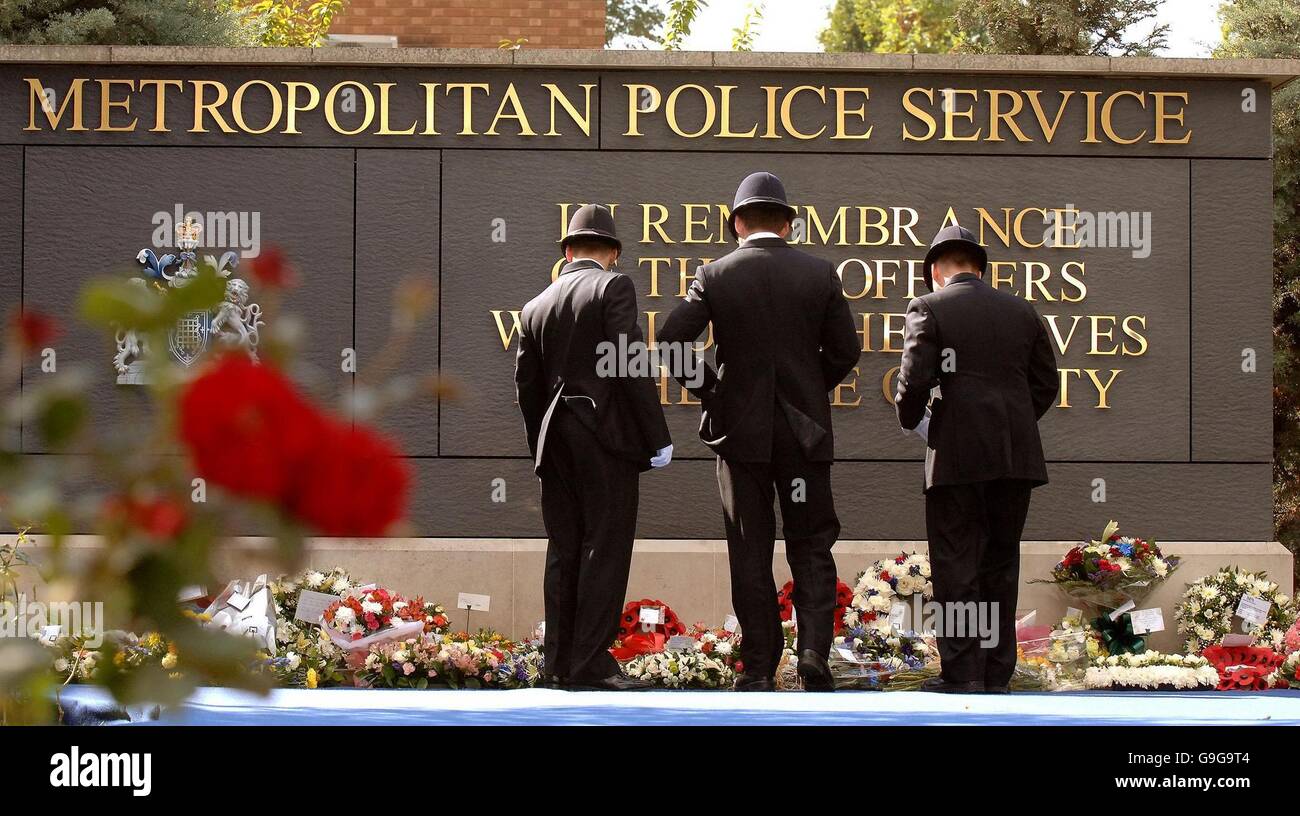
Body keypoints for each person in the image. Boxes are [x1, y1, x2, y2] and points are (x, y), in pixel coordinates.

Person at [658, 172, 860, 692]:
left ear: (737, 223)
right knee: (811, 545)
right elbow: (845, 351)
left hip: (740, 435)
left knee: (749, 548)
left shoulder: (716, 273)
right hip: (804, 433)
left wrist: (713, 390)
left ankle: (758, 665)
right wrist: (811, 389)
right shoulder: (820, 274)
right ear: (789, 223)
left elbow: (672, 339)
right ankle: (813, 650)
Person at [514, 204, 673, 691]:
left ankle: (557, 663)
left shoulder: (533, 306)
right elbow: (628, 360)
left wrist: (541, 443)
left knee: (563, 549)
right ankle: (591, 663)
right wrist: (657, 436)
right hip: (603, 437)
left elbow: (527, 388)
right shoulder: (614, 285)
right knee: (604, 547)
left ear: (566, 251)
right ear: (614, 253)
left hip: (553, 440)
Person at [895, 224, 1059, 694]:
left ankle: (963, 672)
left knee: (955, 568)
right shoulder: (1022, 310)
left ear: (934, 272)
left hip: (956, 458)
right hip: (1014, 459)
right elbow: (1045, 384)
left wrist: (918, 422)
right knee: (1000, 564)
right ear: (981, 270)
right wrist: (1014, 425)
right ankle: (995, 673)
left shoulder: (929, 306)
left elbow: (913, 380)